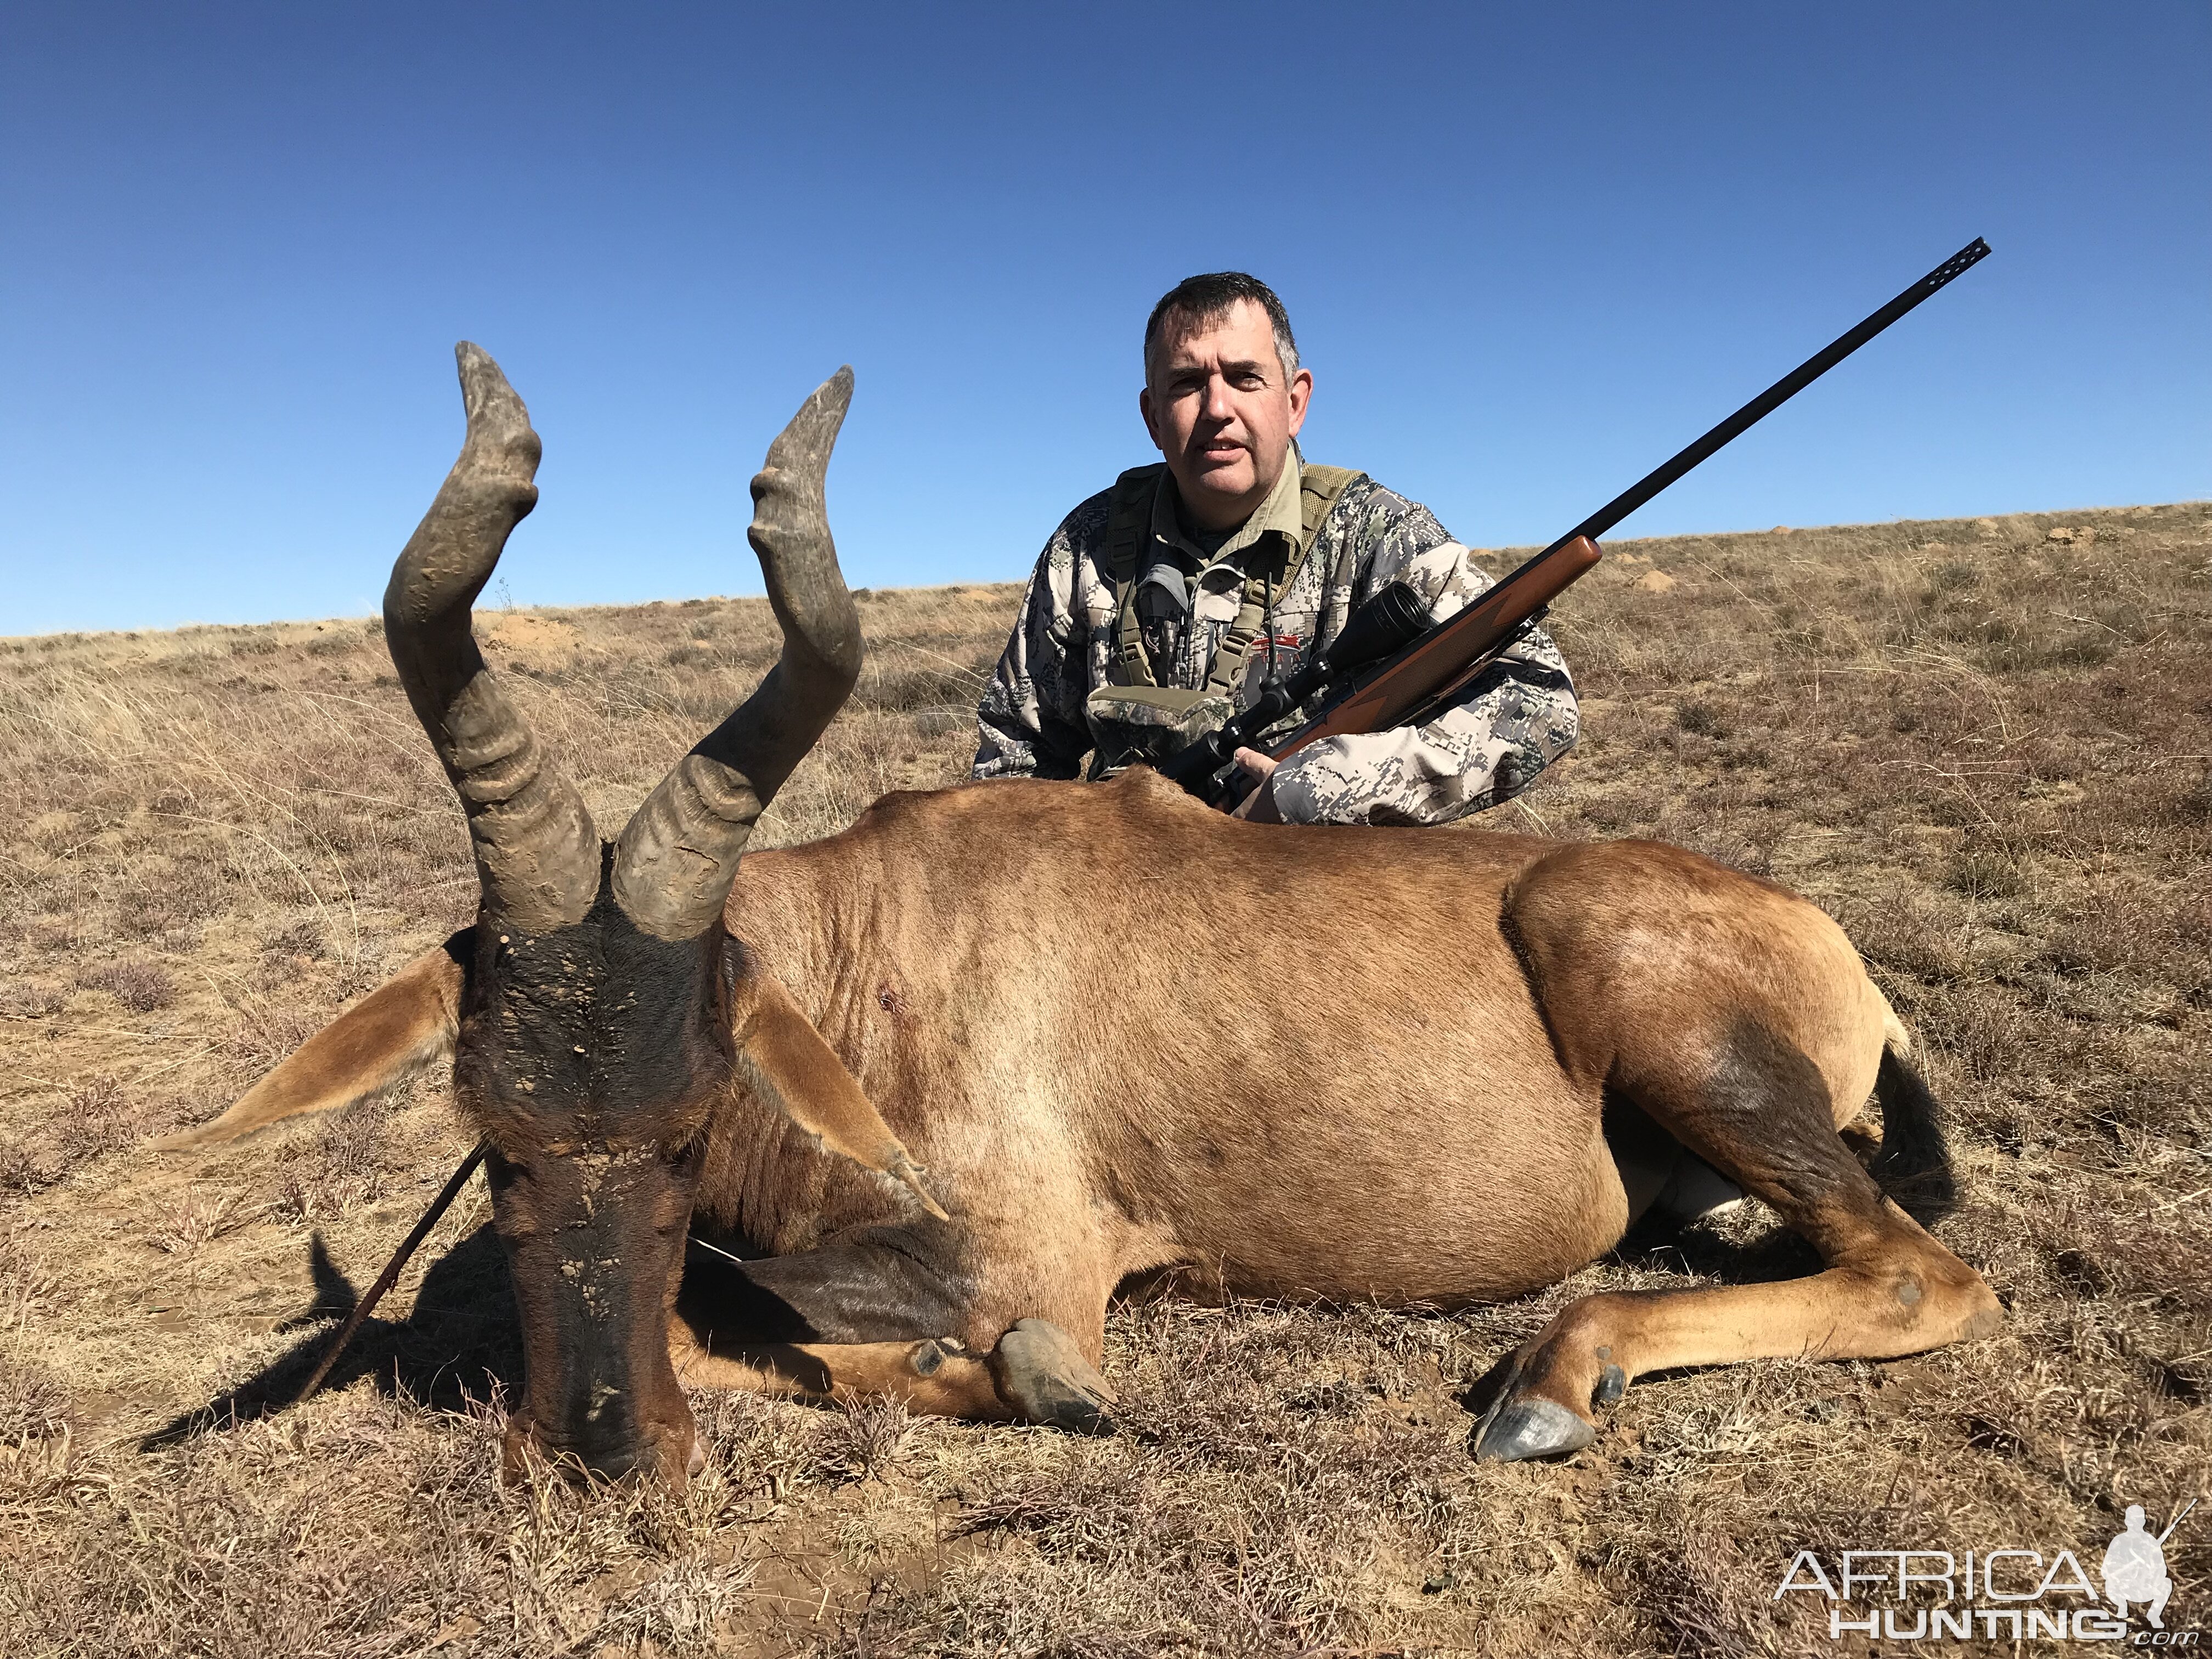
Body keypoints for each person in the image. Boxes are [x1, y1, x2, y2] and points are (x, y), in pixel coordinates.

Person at [972, 271, 1578, 826]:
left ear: (1295, 402)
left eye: (1244, 378)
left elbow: (1540, 700)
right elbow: (1014, 756)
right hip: (1127, 901)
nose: (1216, 409)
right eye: (1186, 384)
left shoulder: (1379, 534)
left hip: (1313, 902)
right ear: (1152, 417)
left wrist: (1317, 790)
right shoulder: (1088, 543)